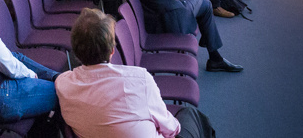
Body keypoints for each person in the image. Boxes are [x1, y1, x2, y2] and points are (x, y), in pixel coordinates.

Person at [58, 8, 210, 138]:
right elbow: (171, 129)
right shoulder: (139, 80)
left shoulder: (63, 85)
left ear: (75, 52)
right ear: (112, 51)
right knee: (192, 116)